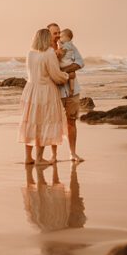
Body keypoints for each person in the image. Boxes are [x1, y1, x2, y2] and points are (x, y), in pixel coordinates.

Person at [17, 28, 71, 165]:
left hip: (30, 90)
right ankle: (39, 158)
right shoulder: (49, 53)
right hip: (45, 91)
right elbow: (55, 74)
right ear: (46, 39)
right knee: (43, 122)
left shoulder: (30, 53)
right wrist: (66, 76)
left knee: (30, 122)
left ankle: (28, 157)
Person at [48, 23, 84, 162]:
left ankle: (73, 153)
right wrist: (65, 73)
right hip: (54, 91)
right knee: (54, 123)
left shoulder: (69, 46)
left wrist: (64, 71)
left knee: (71, 122)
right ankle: (53, 155)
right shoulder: (46, 50)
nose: (57, 36)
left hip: (72, 91)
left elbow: (80, 63)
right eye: (55, 33)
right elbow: (49, 70)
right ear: (48, 34)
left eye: (58, 33)